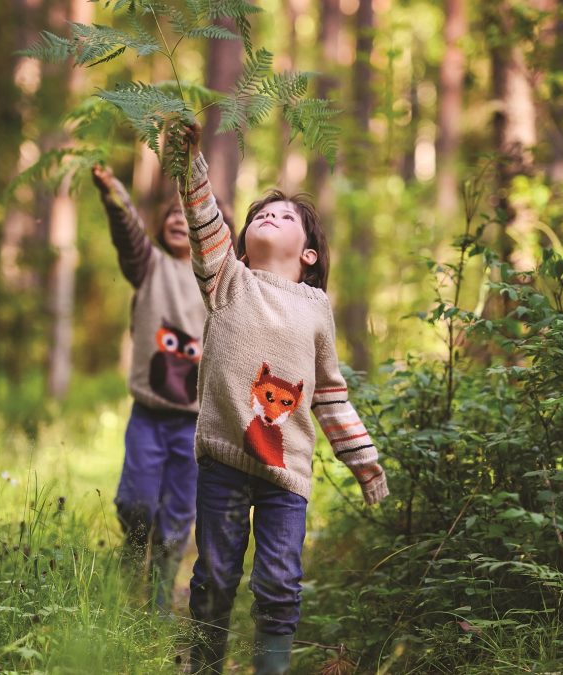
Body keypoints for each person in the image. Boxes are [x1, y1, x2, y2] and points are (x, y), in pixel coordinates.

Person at [165, 123, 389, 674]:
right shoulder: (226, 279)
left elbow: (331, 397)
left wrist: (366, 464)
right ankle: (205, 666)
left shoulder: (316, 309)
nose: (269, 216)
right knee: (214, 576)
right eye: (261, 214)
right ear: (240, 240)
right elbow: (202, 217)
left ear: (309, 253)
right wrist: (188, 159)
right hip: (223, 456)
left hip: (286, 474)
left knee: (280, 584)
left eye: (285, 216)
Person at [92, 163, 206, 613]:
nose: (180, 218)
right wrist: (114, 193)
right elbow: (128, 234)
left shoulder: (217, 282)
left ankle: (159, 598)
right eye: (172, 212)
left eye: (189, 211)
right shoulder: (149, 266)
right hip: (149, 415)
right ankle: (129, 564)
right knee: (137, 504)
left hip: (194, 423)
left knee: (178, 516)